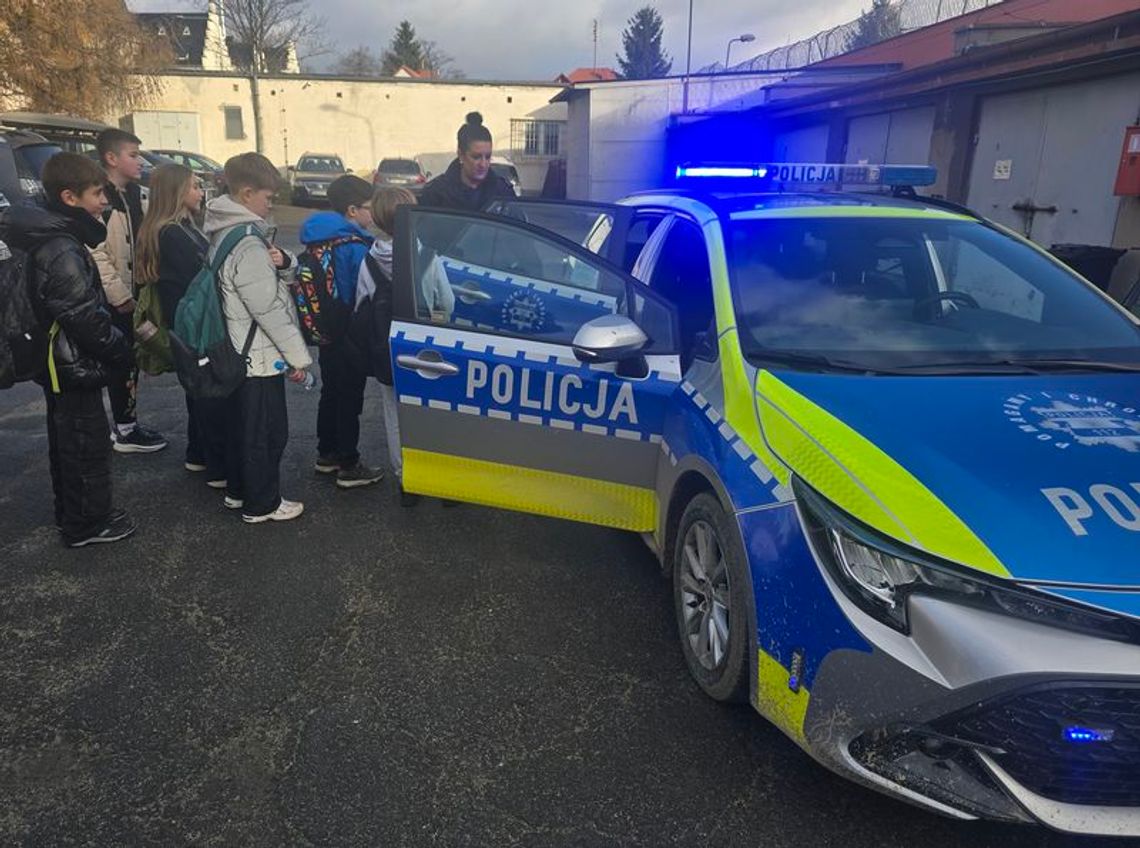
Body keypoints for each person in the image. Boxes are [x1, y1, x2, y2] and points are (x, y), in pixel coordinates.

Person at [0, 153, 135, 546]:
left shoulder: (50, 236)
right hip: (71, 362)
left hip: (59, 363)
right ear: (69, 198)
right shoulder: (62, 248)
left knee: (69, 442)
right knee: (84, 446)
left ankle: (74, 514)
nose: (104, 201)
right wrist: (120, 349)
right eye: (97, 193)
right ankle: (87, 524)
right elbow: (83, 316)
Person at [203, 152, 311, 523]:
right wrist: (299, 358)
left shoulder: (223, 231)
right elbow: (269, 312)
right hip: (258, 356)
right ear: (247, 193)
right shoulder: (249, 244)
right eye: (267, 197)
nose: (271, 204)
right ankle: (262, 504)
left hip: (236, 350)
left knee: (241, 428)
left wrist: (286, 264)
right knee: (266, 433)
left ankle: (239, 491)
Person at [135, 164, 237, 492]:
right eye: (194, 186)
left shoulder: (168, 228)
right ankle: (218, 466)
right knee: (209, 392)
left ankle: (198, 453)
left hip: (181, 320)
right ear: (177, 192)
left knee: (197, 390)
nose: (200, 192)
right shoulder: (174, 233)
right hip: (193, 323)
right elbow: (202, 275)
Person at [356, 186, 456, 507]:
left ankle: (406, 480)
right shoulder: (426, 256)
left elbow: (361, 304)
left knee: (394, 413)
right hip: (429, 350)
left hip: (390, 351)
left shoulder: (369, 262)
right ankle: (442, 478)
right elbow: (448, 302)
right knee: (435, 412)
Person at [299, 174, 384, 489]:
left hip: (326, 332)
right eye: (368, 207)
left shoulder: (318, 237)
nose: (372, 213)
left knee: (331, 392)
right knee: (350, 397)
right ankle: (349, 463)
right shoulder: (355, 245)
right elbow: (358, 295)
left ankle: (327, 454)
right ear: (352, 210)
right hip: (349, 332)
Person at [90, 128, 168, 454]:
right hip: (114, 301)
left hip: (135, 295)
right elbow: (96, 251)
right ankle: (124, 430)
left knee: (130, 361)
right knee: (118, 362)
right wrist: (118, 294)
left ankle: (127, 422)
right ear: (111, 158)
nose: (140, 161)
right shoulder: (99, 197)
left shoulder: (136, 195)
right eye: (133, 155)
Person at [419, 112, 516, 211]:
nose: (483, 164)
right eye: (476, 157)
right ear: (461, 154)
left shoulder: (503, 191)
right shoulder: (437, 193)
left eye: (487, 157)